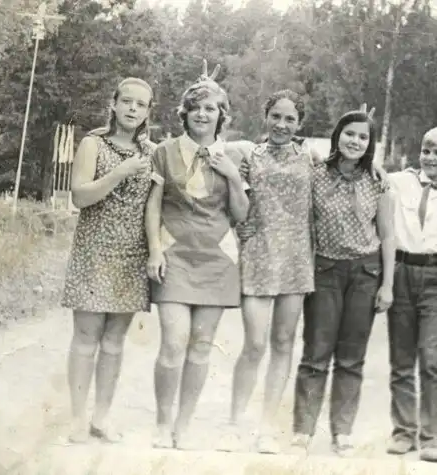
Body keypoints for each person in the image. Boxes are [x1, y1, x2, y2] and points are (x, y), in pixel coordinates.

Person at [144, 65, 250, 450]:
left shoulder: (233, 155)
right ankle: (162, 423)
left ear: (222, 115)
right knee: (174, 342)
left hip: (217, 258)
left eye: (211, 108)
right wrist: (155, 249)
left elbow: (241, 215)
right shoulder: (164, 151)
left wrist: (233, 177)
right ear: (185, 113)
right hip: (174, 255)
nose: (202, 114)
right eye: (196, 108)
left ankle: (183, 426)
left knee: (202, 345)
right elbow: (153, 204)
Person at [219, 90, 320, 454]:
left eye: (290, 119)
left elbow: (350, 167)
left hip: (296, 258)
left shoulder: (311, 158)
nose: (282, 124)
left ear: (300, 124)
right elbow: (238, 206)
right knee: (255, 344)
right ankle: (234, 424)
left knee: (283, 343)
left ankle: (266, 428)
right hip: (259, 255)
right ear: (266, 117)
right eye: (276, 116)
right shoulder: (249, 155)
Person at [290, 107, 395, 457]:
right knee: (316, 353)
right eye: (350, 133)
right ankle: (303, 430)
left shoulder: (378, 181)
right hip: (325, 271)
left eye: (363, 137)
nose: (355, 141)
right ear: (337, 136)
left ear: (370, 144)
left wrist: (387, 285)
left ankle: (342, 431)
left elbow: (388, 235)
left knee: (351, 357)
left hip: (365, 274)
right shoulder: (316, 174)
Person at [61, 77, 156, 444]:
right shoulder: (93, 143)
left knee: (115, 341)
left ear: (148, 112)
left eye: (141, 104)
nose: (132, 108)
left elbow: (154, 206)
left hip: (131, 255)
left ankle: (101, 418)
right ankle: (76, 419)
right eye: (127, 101)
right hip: (94, 250)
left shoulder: (151, 152)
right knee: (86, 338)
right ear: (114, 104)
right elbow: (80, 197)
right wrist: (119, 173)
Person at [384, 127, 437, 462]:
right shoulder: (399, 182)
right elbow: (364, 169)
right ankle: (404, 431)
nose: (430, 158)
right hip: (401, 270)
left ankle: (434, 436)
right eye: (426, 150)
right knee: (401, 358)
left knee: (431, 358)